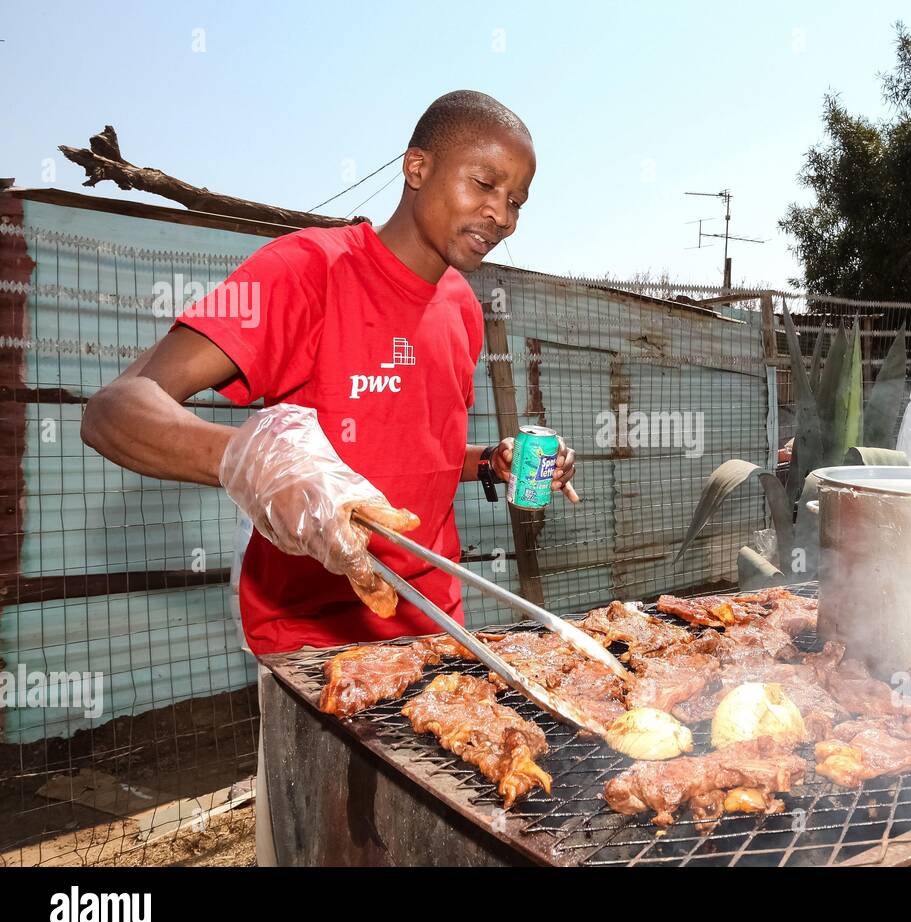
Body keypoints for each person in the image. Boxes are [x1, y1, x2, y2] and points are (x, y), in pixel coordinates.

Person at [81, 90, 576, 864]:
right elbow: (115, 408)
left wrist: (488, 461)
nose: (503, 214)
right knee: (334, 851)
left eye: (518, 200)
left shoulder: (462, 308)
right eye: (484, 184)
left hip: (434, 637)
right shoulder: (306, 271)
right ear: (416, 167)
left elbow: (408, 452)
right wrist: (246, 458)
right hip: (317, 650)